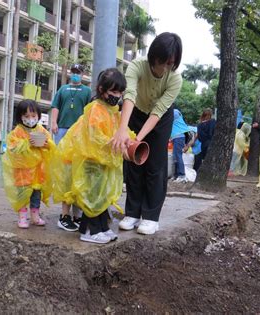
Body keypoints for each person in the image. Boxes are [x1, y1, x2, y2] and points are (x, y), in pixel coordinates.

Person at [111, 32, 183, 235]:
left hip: (159, 120)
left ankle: (151, 217)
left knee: (155, 166)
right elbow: (130, 95)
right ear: (154, 57)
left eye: (171, 63)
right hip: (136, 112)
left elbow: (159, 111)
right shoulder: (137, 66)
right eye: (162, 62)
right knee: (133, 163)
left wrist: (137, 139)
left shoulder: (175, 79)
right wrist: (123, 129)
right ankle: (132, 213)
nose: (165, 68)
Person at [52, 68, 129, 243]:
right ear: (102, 90)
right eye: (114, 91)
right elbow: (94, 136)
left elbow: (119, 131)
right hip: (90, 160)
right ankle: (89, 230)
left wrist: (127, 140)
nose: (117, 96)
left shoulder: (112, 110)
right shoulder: (95, 109)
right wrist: (114, 143)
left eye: (120, 92)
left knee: (101, 195)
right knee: (93, 196)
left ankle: (102, 227)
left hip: (102, 160)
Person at [50, 63, 91, 232]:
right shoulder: (63, 89)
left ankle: (78, 215)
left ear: (83, 74)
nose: (75, 75)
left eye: (78, 72)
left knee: (79, 170)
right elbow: (55, 106)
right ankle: (64, 215)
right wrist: (53, 123)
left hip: (80, 132)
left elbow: (90, 111)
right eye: (73, 72)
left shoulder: (87, 91)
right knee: (65, 170)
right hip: (62, 130)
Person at [2, 100, 55, 228]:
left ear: (38, 116)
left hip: (38, 172)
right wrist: (27, 143)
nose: (30, 119)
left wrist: (47, 145)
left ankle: (35, 217)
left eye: (33, 116)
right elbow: (12, 148)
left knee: (36, 196)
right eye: (26, 116)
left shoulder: (41, 130)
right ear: (20, 117)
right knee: (22, 195)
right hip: (22, 172)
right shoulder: (17, 131)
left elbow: (51, 145)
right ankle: (22, 217)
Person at [190, 108, 216, 173]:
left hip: (203, 144)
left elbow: (198, 135)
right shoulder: (213, 122)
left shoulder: (200, 125)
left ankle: (198, 172)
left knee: (201, 159)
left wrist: (192, 142)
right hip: (211, 144)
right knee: (208, 159)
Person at [170, 107, 190, 182]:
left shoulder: (175, 112)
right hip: (176, 137)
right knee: (175, 157)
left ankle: (182, 175)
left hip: (179, 137)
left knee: (178, 156)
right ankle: (176, 175)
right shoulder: (174, 112)